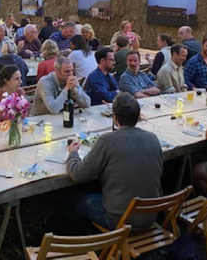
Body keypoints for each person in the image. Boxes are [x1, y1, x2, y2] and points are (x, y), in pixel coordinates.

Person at [66, 92, 163, 231]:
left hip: (120, 218)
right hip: (150, 215)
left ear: (114, 117)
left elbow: (78, 175)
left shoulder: (107, 140)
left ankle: (95, 241)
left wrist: (73, 154)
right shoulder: (153, 138)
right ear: (138, 116)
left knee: (68, 198)